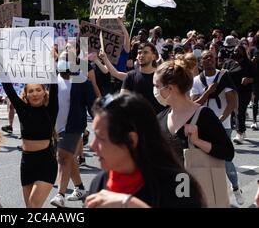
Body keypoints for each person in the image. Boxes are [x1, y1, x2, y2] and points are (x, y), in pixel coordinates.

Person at [85, 93, 204, 208]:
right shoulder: (100, 182)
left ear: (131, 140)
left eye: (100, 138)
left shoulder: (179, 184)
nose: (92, 145)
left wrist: (129, 203)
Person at [154, 57, 235, 206]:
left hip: (199, 198)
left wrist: (198, 142)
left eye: (156, 86)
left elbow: (228, 152)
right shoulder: (160, 118)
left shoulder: (204, 116)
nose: (154, 91)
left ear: (170, 88)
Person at [190, 50, 244, 205]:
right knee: (205, 160)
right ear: (201, 62)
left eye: (211, 57)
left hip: (223, 125)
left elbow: (232, 102)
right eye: (205, 58)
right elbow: (195, 103)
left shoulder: (224, 76)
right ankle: (209, 196)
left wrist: (220, 120)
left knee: (225, 159)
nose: (209, 60)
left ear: (216, 60)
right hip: (202, 126)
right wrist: (208, 92)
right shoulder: (196, 80)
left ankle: (235, 187)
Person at [1, 76, 58, 208]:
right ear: (26, 95)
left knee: (33, 204)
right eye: (31, 91)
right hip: (26, 163)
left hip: (46, 163)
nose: (35, 94)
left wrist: (53, 63)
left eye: (38, 90)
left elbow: (55, 86)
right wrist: (1, 61)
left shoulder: (51, 109)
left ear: (44, 92)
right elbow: (8, 88)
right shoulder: (22, 109)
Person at [50, 51, 95, 208]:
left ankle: (60, 195)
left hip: (74, 126)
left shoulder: (82, 81)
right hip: (55, 128)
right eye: (61, 58)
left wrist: (101, 124)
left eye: (67, 58)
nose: (63, 60)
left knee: (62, 157)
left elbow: (93, 106)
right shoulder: (52, 79)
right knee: (68, 158)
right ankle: (80, 188)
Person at [223, 45, 255, 144]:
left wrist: (249, 79)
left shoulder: (249, 64)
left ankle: (239, 133)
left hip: (243, 91)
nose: (236, 53)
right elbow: (222, 74)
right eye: (235, 51)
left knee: (240, 112)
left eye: (239, 51)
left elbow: (256, 77)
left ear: (244, 52)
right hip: (230, 91)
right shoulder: (229, 62)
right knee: (231, 112)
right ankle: (242, 130)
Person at [121, 42, 164, 114]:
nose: (141, 55)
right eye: (139, 53)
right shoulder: (130, 76)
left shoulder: (162, 77)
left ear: (154, 56)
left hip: (157, 121)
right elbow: (123, 100)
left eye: (145, 52)